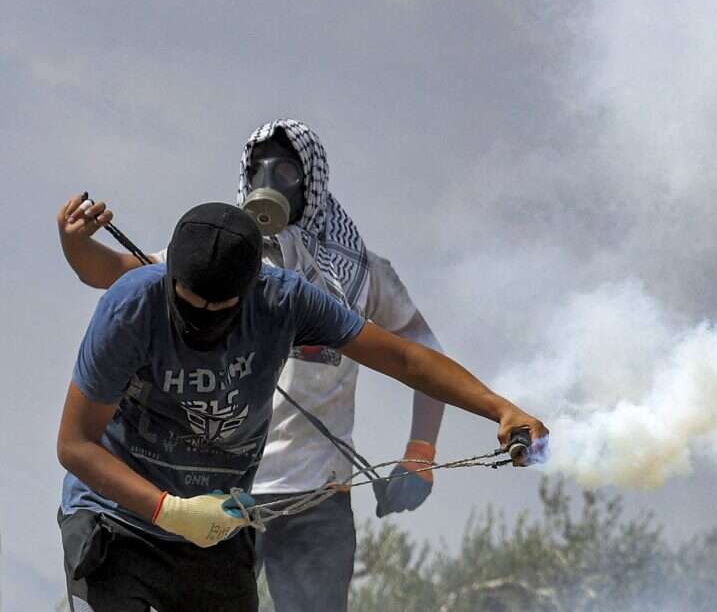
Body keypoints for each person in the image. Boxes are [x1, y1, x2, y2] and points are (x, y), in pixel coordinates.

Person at [57, 202, 548, 612]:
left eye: (218, 308)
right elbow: (75, 444)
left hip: (214, 529)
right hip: (116, 518)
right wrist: (169, 510)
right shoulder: (131, 306)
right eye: (188, 303)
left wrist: (501, 408)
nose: (200, 319)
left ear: (250, 289)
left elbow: (404, 358)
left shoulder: (287, 301)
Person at [58, 119, 446, 610]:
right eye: (257, 168)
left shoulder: (365, 275)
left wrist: (420, 452)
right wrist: (76, 245)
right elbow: (117, 276)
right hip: (219, 495)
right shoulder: (219, 258)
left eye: (285, 170)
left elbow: (420, 357)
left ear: (312, 182)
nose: (269, 182)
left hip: (316, 496)